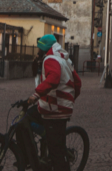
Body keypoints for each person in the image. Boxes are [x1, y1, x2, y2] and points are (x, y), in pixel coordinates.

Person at [28, 35, 81, 171]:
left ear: (43, 48)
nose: (38, 51)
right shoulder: (64, 59)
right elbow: (78, 83)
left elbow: (54, 79)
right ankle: (45, 141)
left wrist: (36, 94)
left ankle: (32, 159)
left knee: (56, 152)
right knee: (28, 116)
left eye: (39, 48)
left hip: (54, 109)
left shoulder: (50, 59)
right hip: (60, 107)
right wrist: (69, 100)